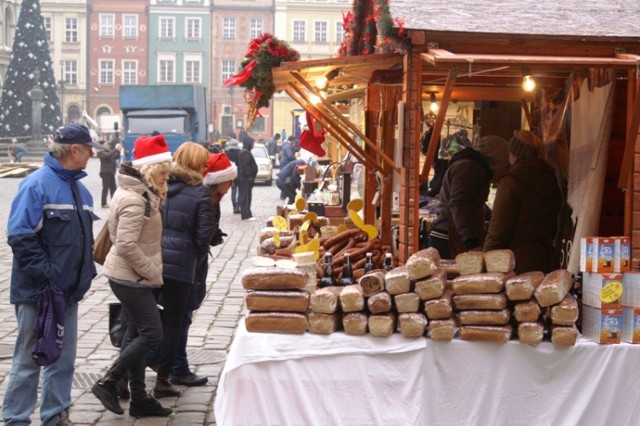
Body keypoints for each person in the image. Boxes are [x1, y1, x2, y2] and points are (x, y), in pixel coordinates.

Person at [3, 123, 103, 426]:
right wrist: (48, 278)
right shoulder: (36, 184)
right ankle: (16, 419)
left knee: (63, 360)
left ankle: (56, 416)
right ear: (74, 150)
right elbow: (20, 236)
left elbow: (83, 241)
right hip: (38, 293)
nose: (91, 156)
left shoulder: (81, 189)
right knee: (29, 360)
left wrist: (83, 276)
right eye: (88, 150)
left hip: (67, 293)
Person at [91, 133, 173, 418]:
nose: (167, 176)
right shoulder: (136, 199)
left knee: (136, 334)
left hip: (132, 276)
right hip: (131, 278)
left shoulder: (142, 194)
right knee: (152, 334)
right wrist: (151, 272)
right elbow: (125, 245)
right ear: (151, 170)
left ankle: (139, 399)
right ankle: (107, 381)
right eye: (164, 171)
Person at [153, 142, 215, 398]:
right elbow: (203, 238)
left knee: (145, 324)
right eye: (203, 164)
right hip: (180, 268)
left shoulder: (161, 185)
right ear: (195, 165)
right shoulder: (200, 193)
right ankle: (163, 378)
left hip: (154, 262)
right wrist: (194, 256)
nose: (205, 168)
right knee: (174, 324)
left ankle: (125, 377)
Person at [484, 130, 562, 274]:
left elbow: (498, 229)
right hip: (547, 258)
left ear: (515, 154)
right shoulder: (551, 179)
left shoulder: (512, 181)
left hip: (516, 262)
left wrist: (486, 259)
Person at [428, 135, 510, 259]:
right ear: (498, 157)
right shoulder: (469, 167)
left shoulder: (474, 166)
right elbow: (458, 205)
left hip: (451, 234)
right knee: (453, 277)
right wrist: (471, 242)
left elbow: (471, 202)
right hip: (449, 237)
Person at [237, 135, 258, 221]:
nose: (254, 145)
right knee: (245, 197)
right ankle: (246, 214)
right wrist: (250, 175)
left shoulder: (246, 151)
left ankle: (248, 213)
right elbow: (246, 167)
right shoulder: (245, 152)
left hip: (247, 179)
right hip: (246, 179)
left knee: (247, 197)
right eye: (253, 143)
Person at [97, 140, 121, 208]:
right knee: (105, 188)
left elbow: (116, 157)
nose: (108, 145)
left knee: (113, 187)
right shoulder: (101, 152)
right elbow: (107, 156)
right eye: (107, 144)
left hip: (111, 172)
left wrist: (118, 151)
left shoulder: (109, 151)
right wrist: (115, 149)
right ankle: (103, 203)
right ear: (103, 145)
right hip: (105, 172)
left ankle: (114, 202)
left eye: (108, 144)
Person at [225, 138, 241, 213]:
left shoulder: (227, 152)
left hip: (231, 173)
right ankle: (238, 206)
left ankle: (234, 206)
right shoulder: (240, 152)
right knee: (240, 191)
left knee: (233, 190)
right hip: (239, 173)